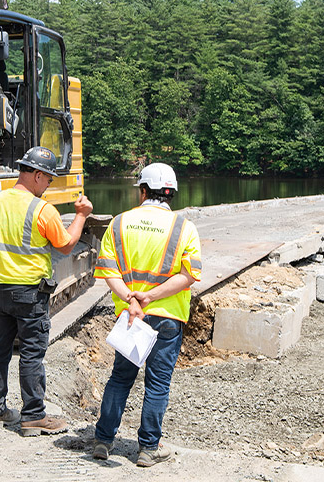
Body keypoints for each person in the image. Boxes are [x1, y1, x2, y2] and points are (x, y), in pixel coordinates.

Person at [0, 146, 93, 436]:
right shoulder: (42, 210)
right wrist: (81, 215)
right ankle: (33, 416)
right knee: (31, 353)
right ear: (37, 176)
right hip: (29, 293)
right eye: (49, 179)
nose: (50, 184)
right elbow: (66, 245)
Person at [91, 163, 202, 467]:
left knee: (120, 378)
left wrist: (131, 299)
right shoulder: (184, 228)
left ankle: (103, 440)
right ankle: (148, 448)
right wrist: (150, 297)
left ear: (142, 191)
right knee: (157, 384)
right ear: (171, 194)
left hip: (131, 316)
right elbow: (189, 275)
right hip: (167, 316)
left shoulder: (118, 223)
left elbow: (107, 271)